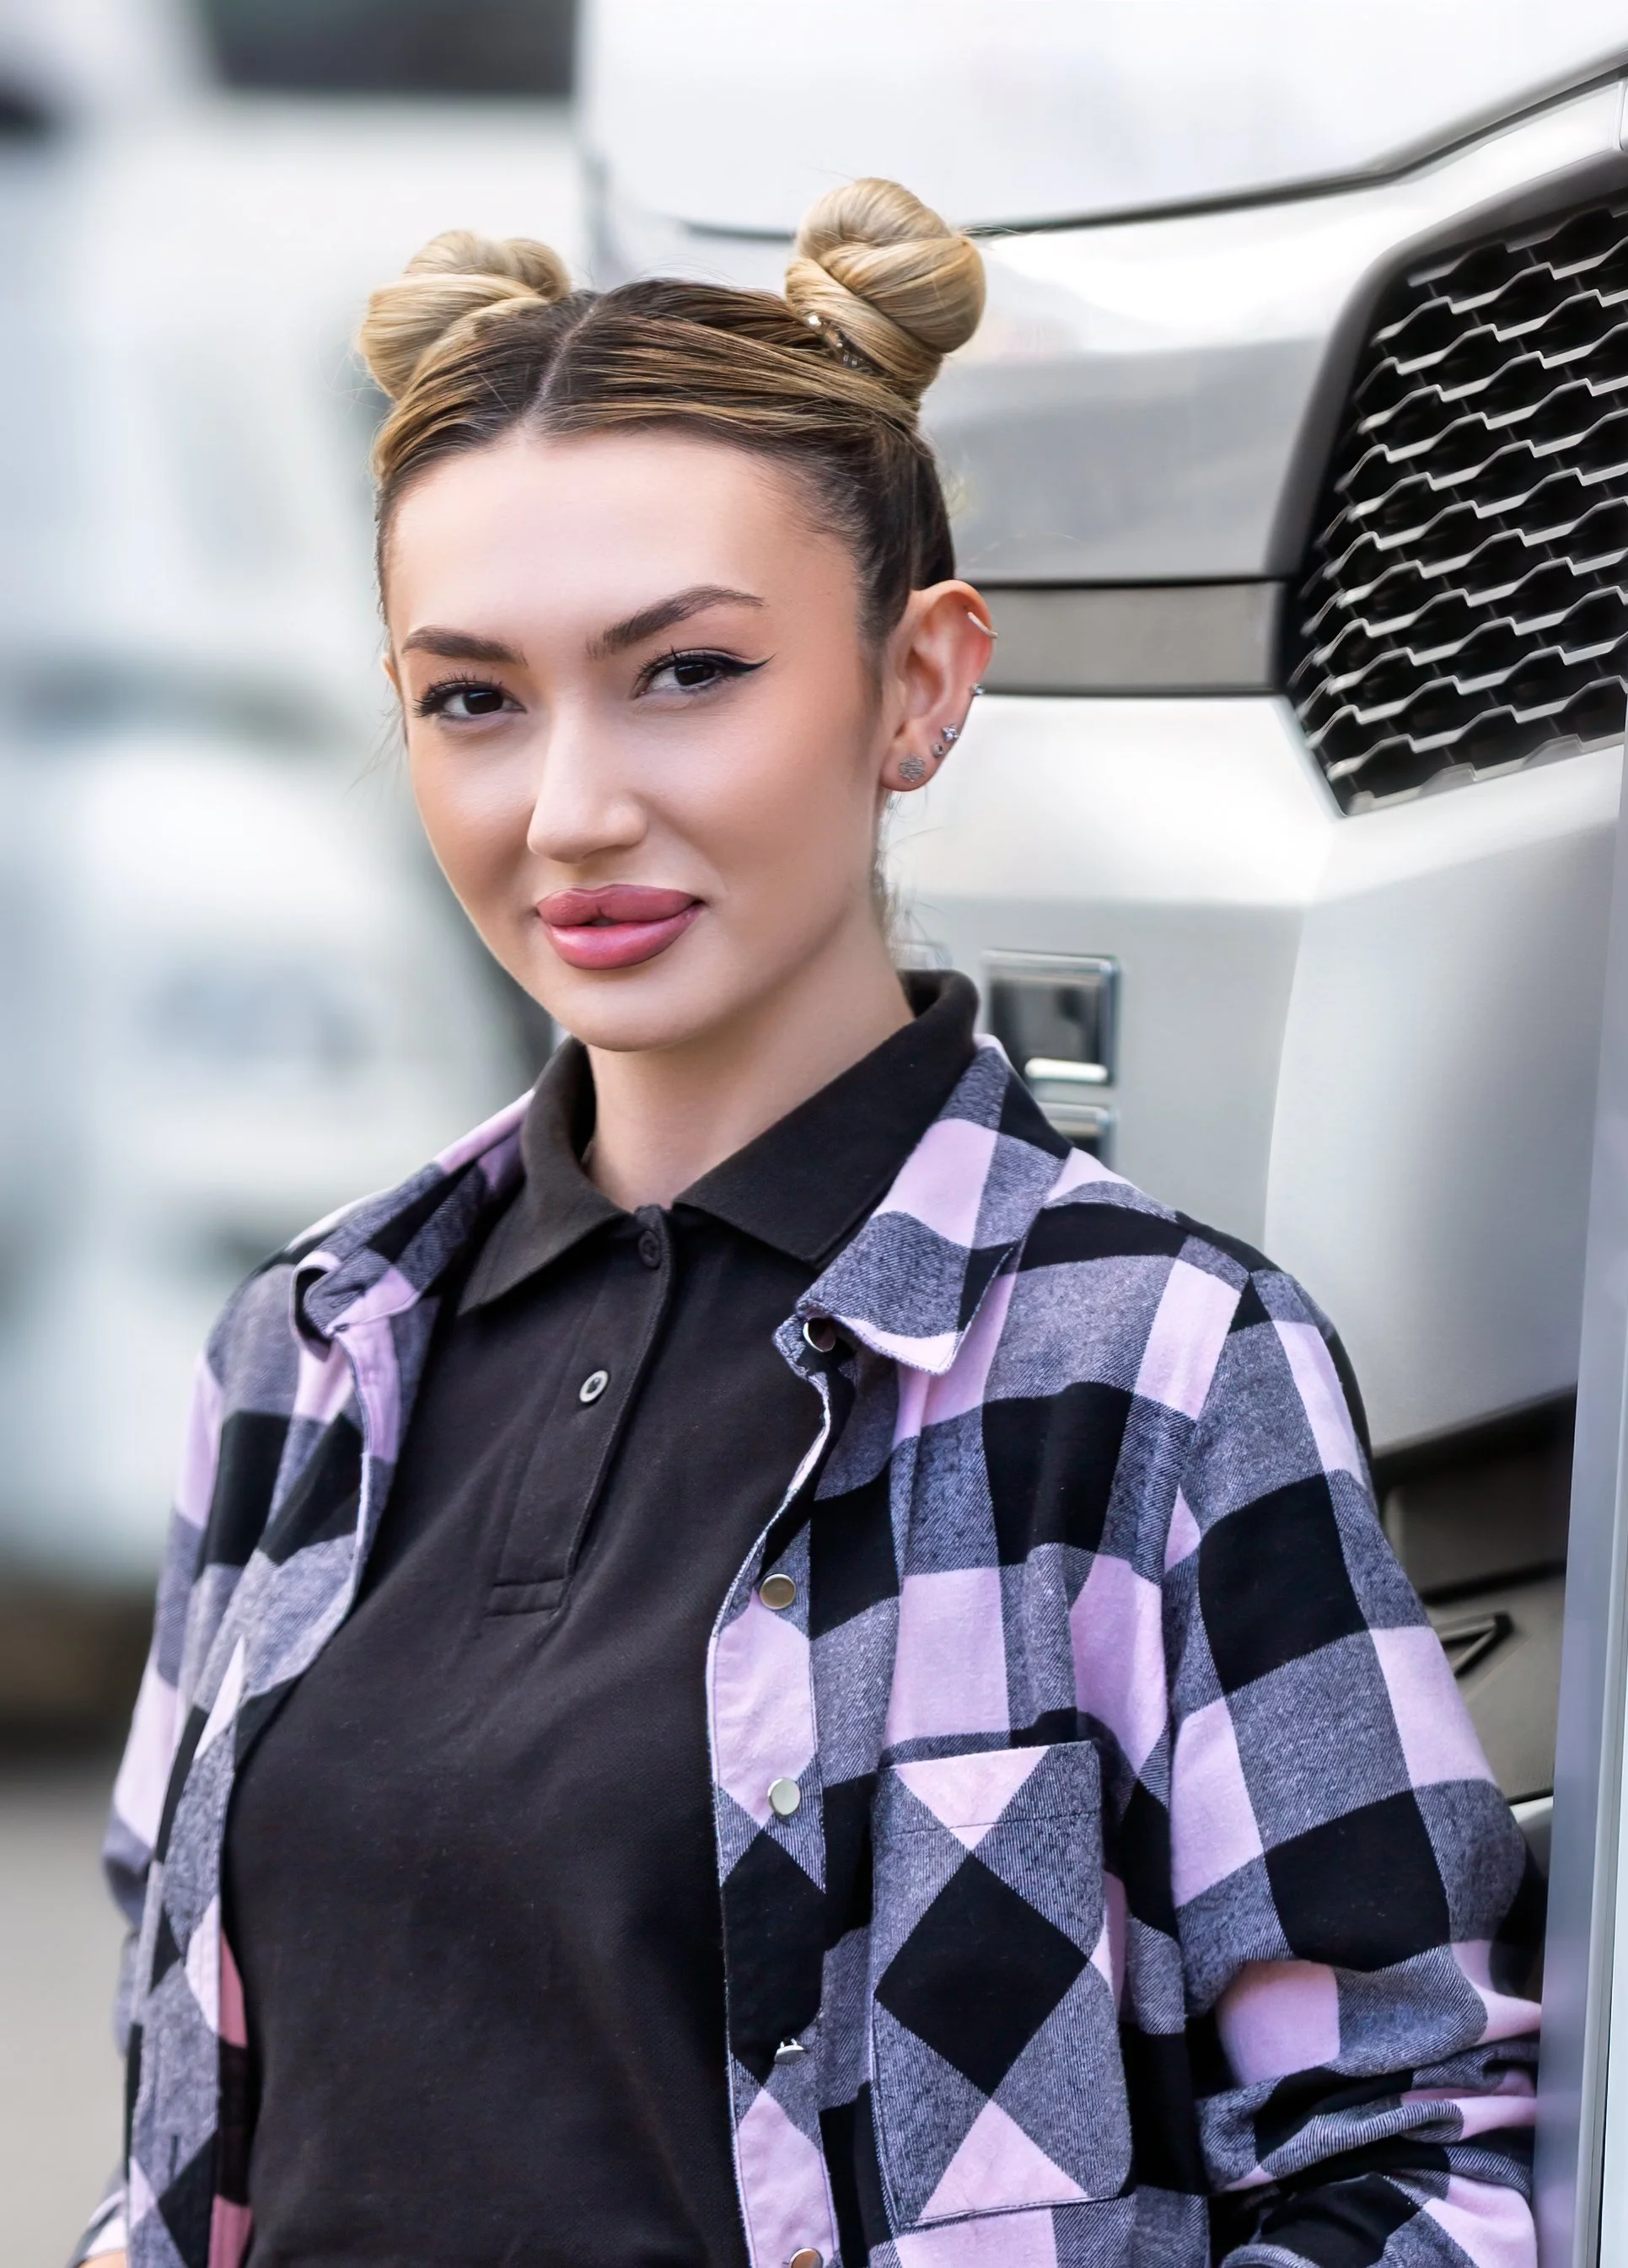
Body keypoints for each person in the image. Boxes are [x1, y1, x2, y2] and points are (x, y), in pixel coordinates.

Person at [76, 177, 1540, 2268]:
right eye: (472, 697)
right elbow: (176, 2139)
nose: (568, 805)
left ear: (918, 685)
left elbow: (1413, 2169)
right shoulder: (308, 1347)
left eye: (683, 672)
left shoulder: (1147, 1370)